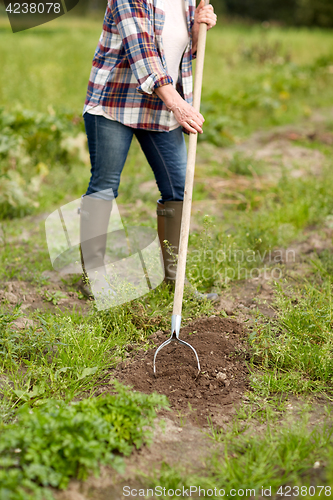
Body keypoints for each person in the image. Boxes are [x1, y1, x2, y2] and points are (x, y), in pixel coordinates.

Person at [79, 0, 217, 301]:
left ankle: (174, 278)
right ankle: (94, 278)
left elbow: (178, 54)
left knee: (178, 189)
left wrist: (196, 31)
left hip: (160, 109)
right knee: (105, 186)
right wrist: (178, 103)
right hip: (116, 103)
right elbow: (144, 55)